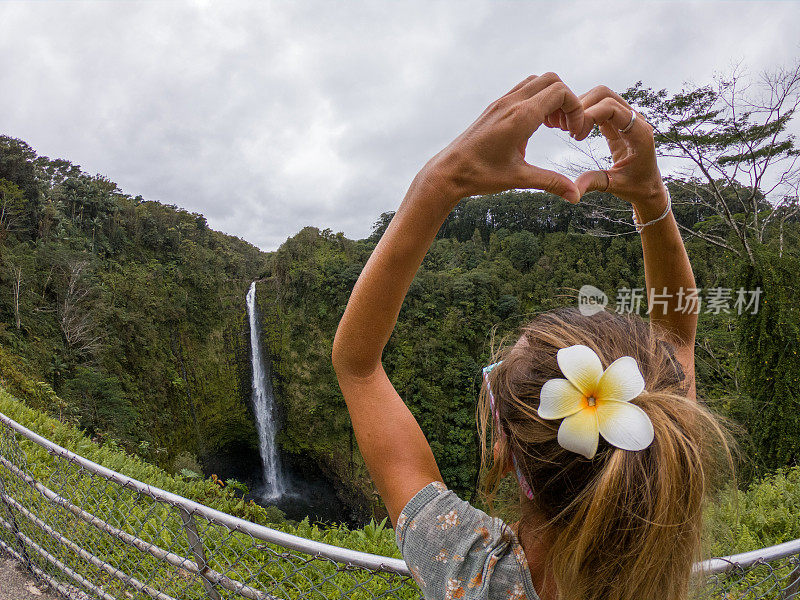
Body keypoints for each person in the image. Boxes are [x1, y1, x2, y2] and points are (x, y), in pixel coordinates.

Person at [332, 73, 732, 600]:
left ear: (503, 449)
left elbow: (355, 362)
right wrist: (651, 194)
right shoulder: (662, 525)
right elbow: (677, 332)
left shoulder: (470, 573)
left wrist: (444, 177)